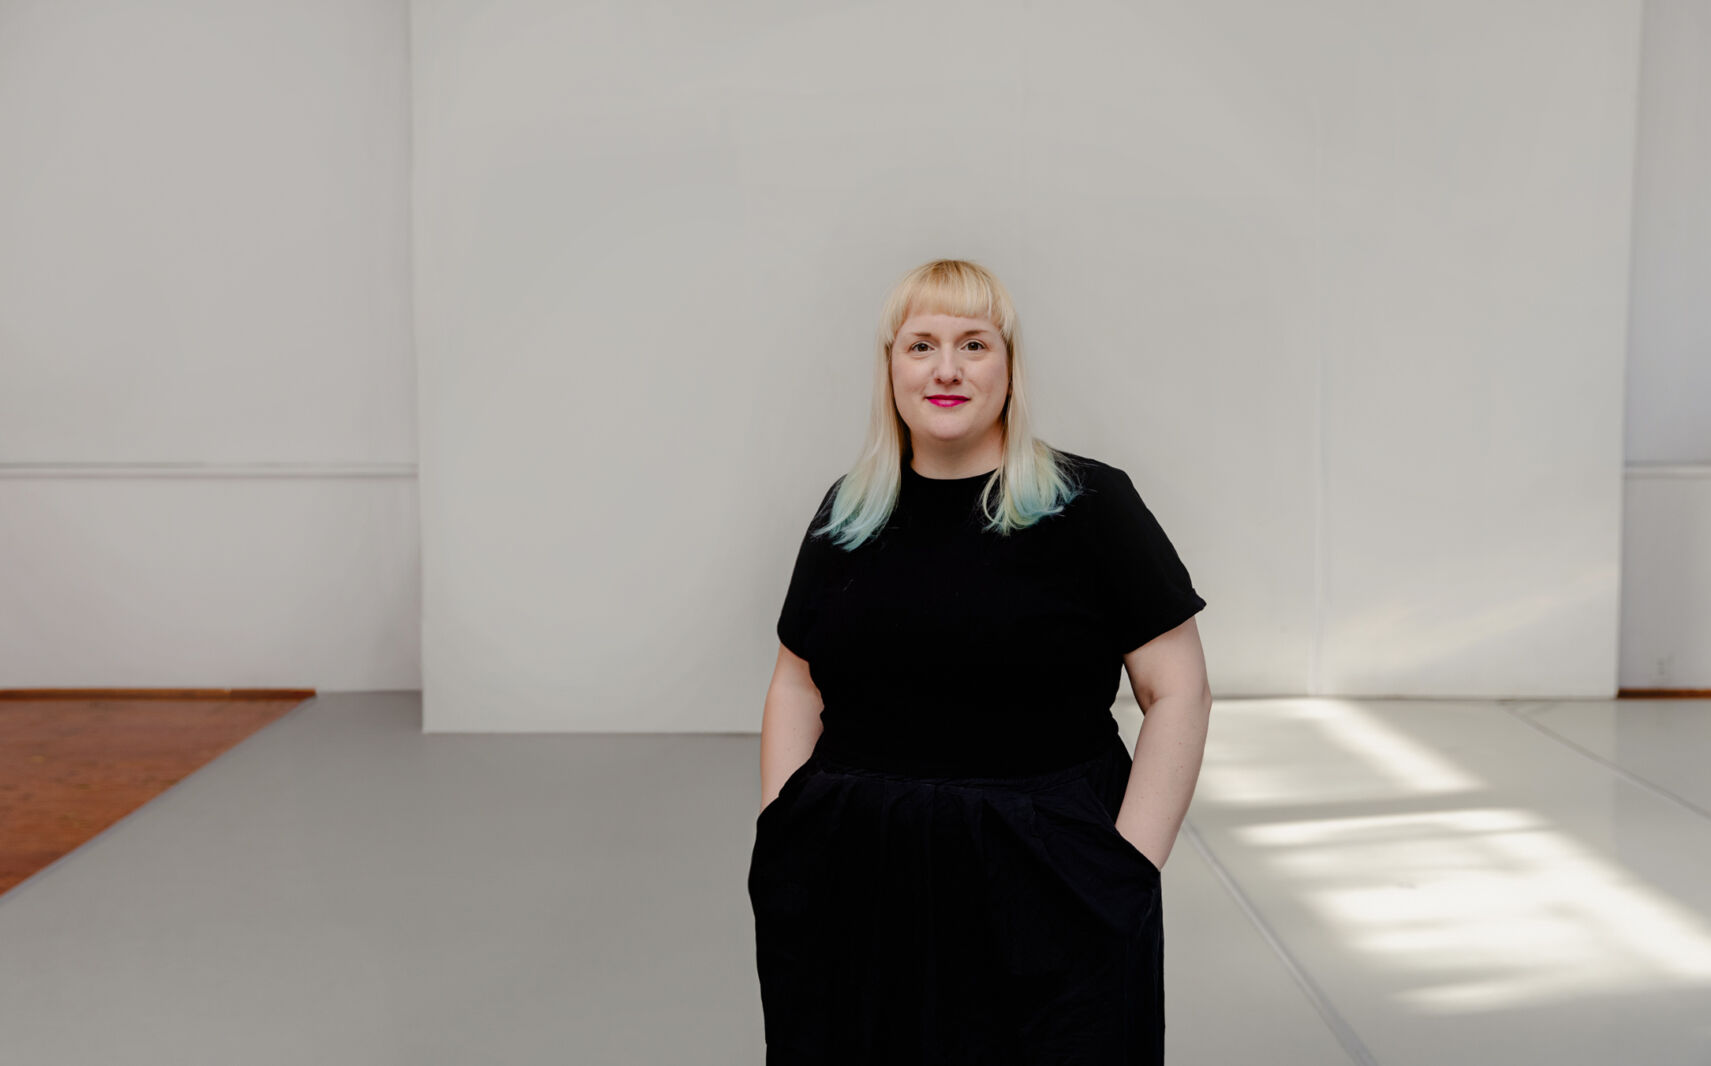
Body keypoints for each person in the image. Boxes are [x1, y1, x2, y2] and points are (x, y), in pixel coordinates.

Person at [748, 258, 1212, 1064]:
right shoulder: (848, 511)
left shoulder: (1090, 505)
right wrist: (783, 824)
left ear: (1008, 365)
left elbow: (1178, 691)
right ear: (890, 366)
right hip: (861, 871)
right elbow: (796, 677)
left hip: (1048, 872)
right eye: (921, 345)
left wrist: (1124, 868)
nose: (947, 369)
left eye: (974, 344)